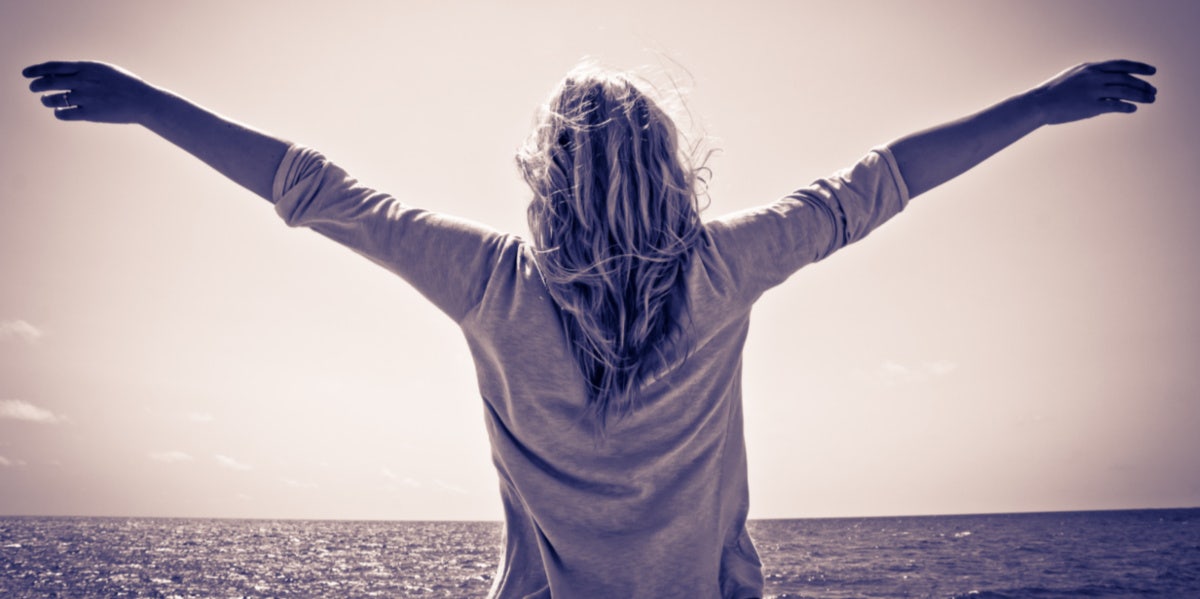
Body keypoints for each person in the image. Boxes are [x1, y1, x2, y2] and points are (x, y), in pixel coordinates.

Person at [23, 58, 1156, 598]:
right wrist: (1043, 105)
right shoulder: (724, 268)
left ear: (544, 180)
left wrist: (147, 103)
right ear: (672, 171)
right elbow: (880, 181)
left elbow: (318, 188)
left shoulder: (489, 282)